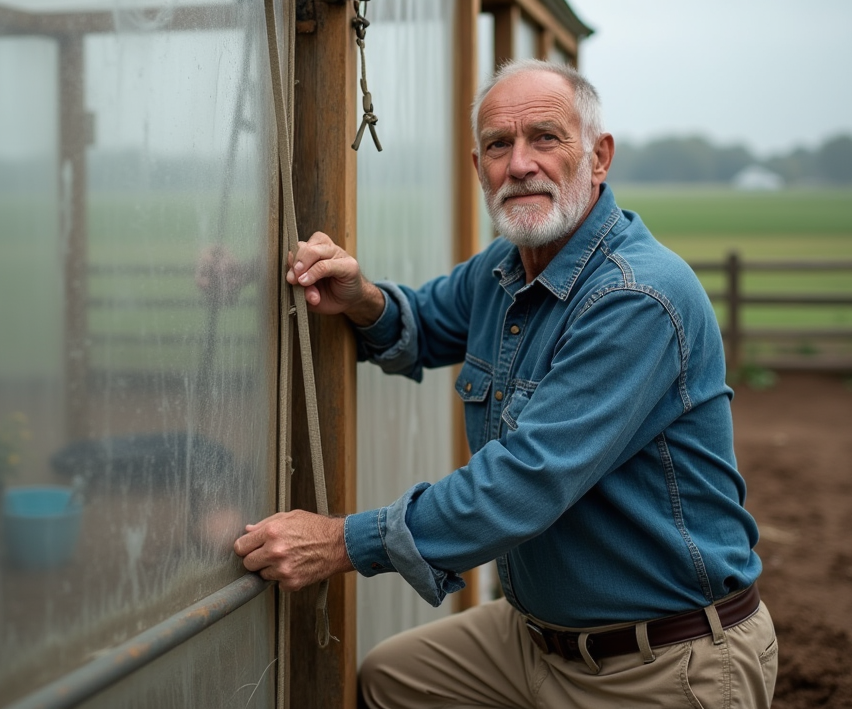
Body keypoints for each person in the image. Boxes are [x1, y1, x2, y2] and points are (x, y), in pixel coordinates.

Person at [233, 59, 777, 708]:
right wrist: (362, 298)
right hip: (537, 636)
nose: (519, 164)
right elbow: (427, 322)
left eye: (544, 137)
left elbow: (526, 481)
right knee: (395, 680)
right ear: (478, 167)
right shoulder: (506, 267)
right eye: (499, 144)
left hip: (660, 656)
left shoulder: (638, 298)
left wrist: (340, 541)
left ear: (598, 157)